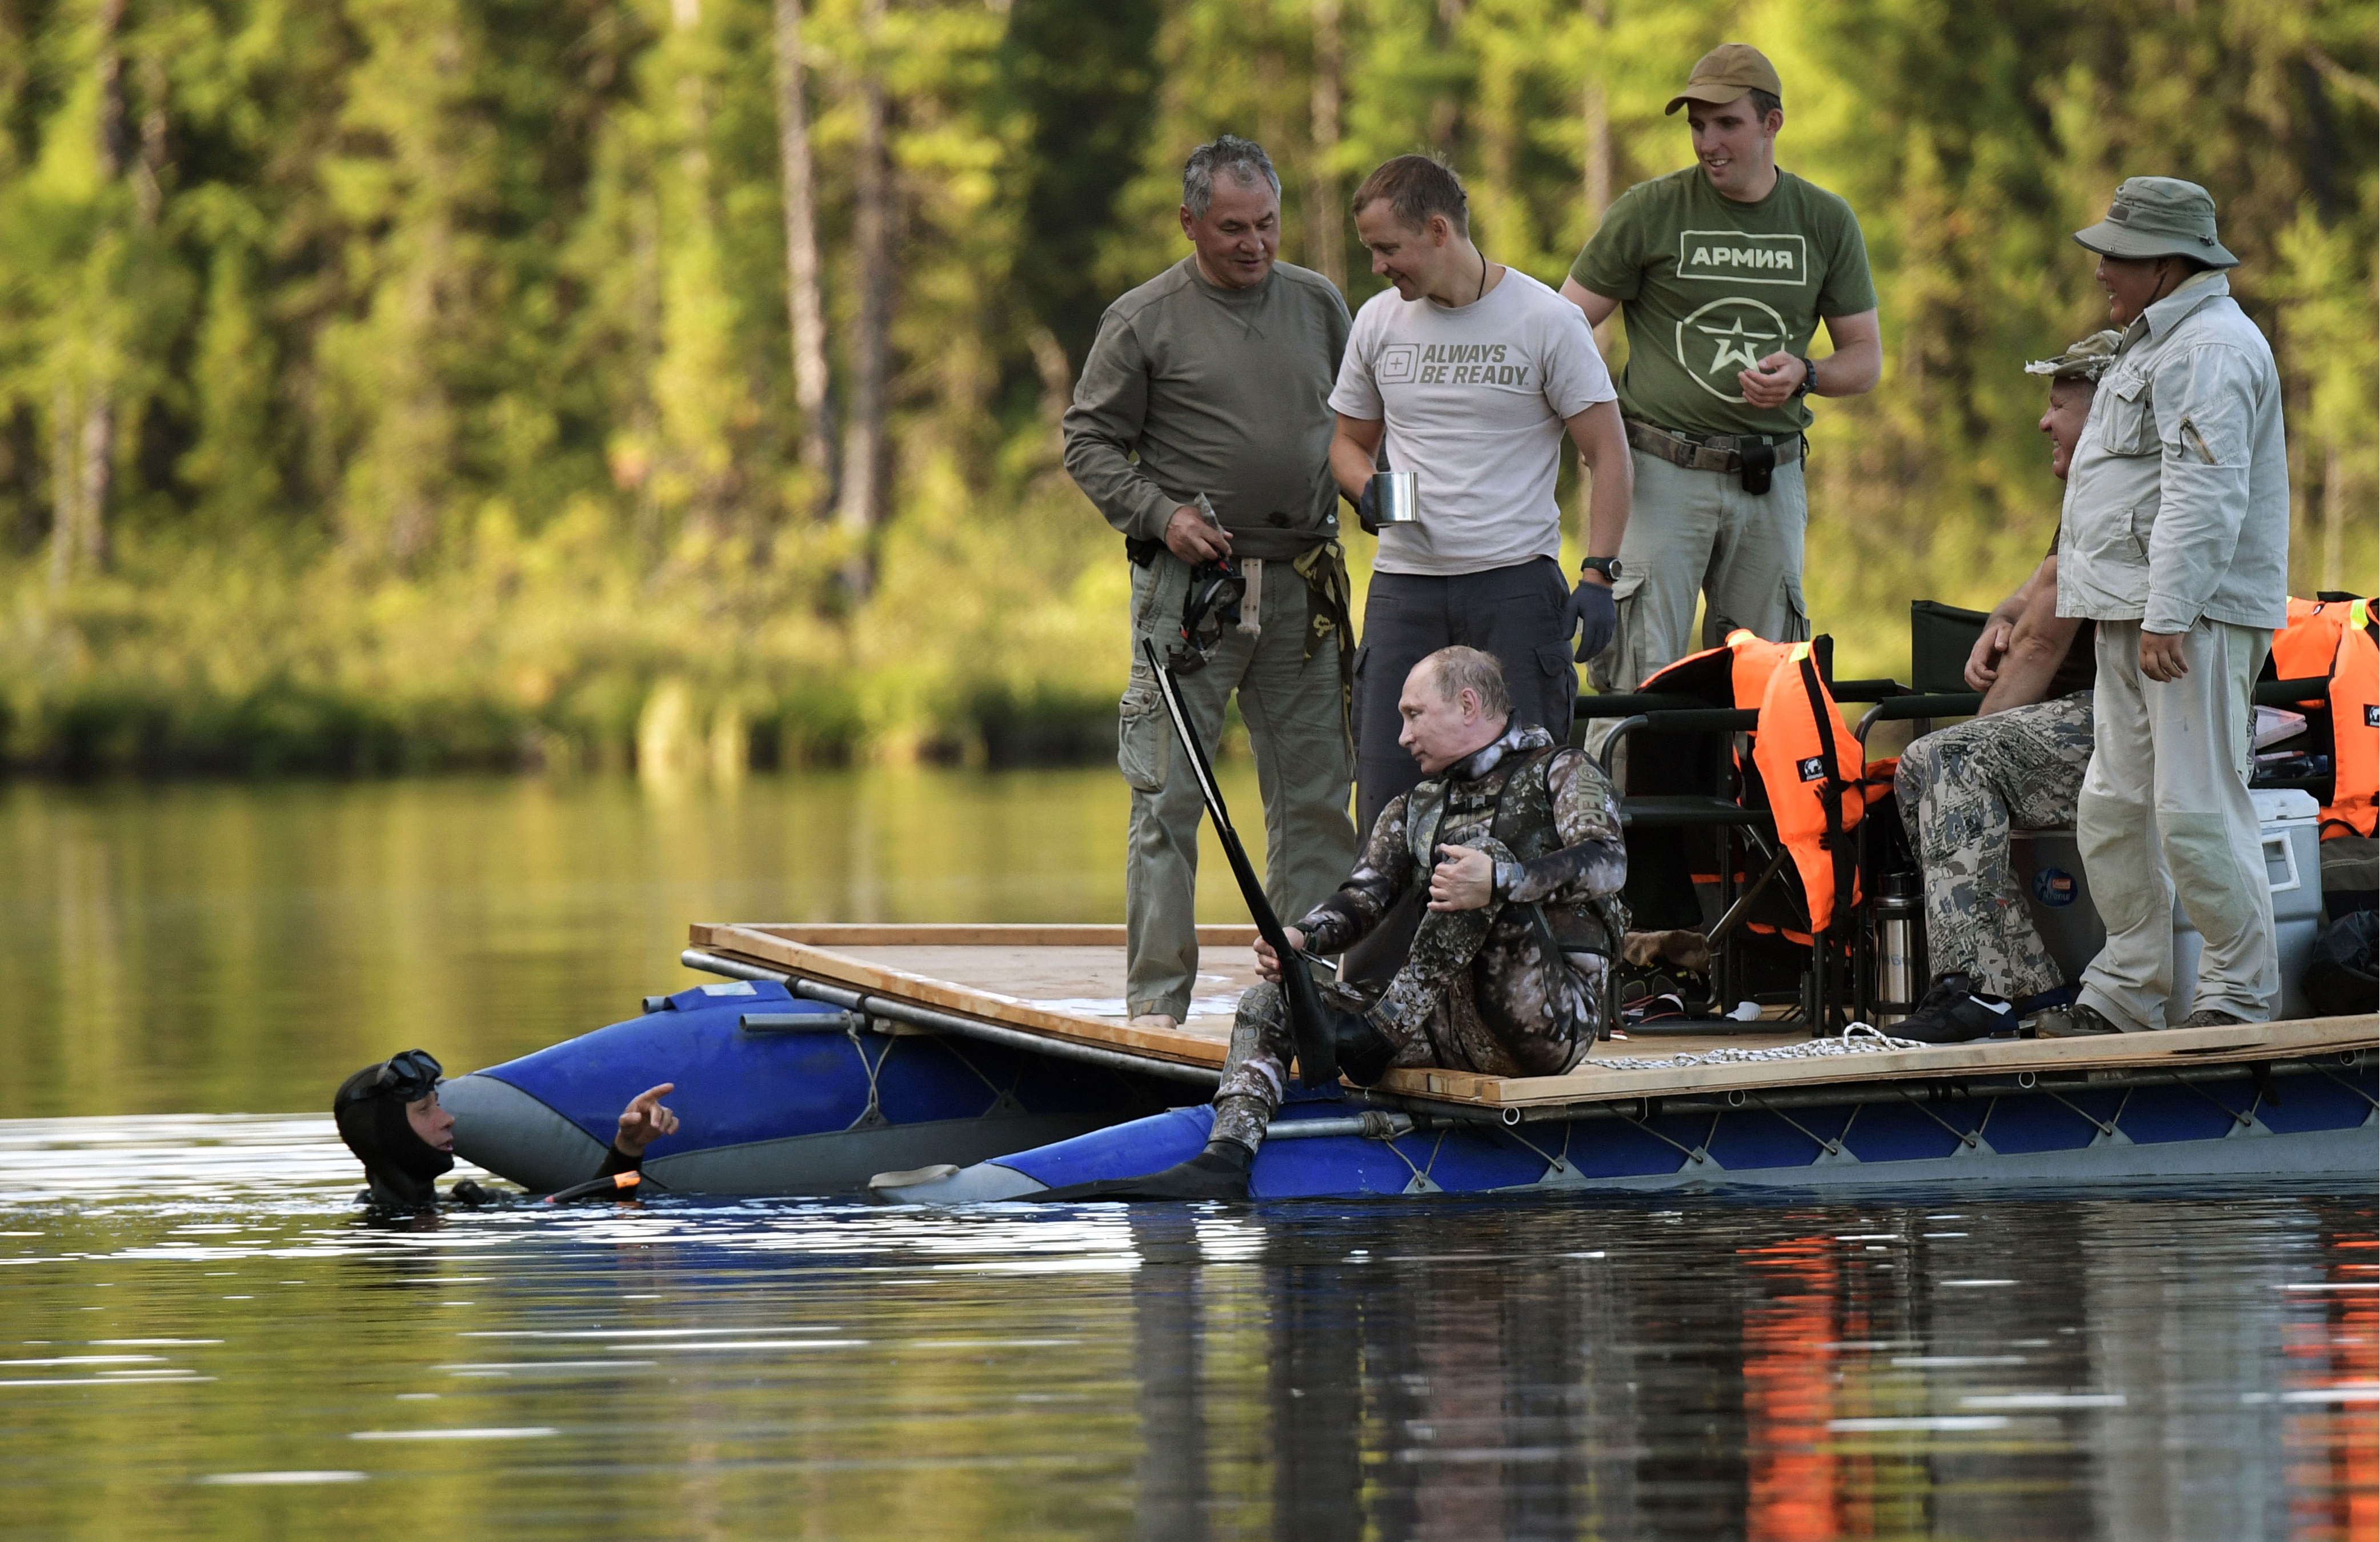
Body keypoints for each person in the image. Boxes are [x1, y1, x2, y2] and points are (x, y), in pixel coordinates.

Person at [1081, 647, 1626, 1199]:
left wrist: (1501, 879)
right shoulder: (1416, 804)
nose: (1402, 737)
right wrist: (1300, 936)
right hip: (1442, 1026)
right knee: (1270, 1003)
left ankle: (1376, 1035)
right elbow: (1362, 897)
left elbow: (1610, 862)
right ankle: (1226, 1156)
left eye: (1414, 714)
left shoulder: (1561, 770)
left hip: (1549, 1026)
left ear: (1467, 705)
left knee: (1473, 856)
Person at [1063, 134, 1359, 1034]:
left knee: (1315, 798)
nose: (1253, 243)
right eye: (1231, 227)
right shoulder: (1142, 319)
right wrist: (1160, 515)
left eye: (1267, 223)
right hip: (1192, 595)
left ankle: (1302, 995)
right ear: (1188, 221)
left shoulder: (1319, 305)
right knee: (1167, 800)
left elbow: (1363, 423)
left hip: (1306, 584)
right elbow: (1087, 443)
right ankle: (1157, 1010)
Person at [1560, 43, 1880, 706]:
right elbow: (1560, 328)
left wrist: (1806, 372)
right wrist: (1594, 428)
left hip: (1771, 481)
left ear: (1771, 124)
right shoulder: (1648, 211)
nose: (1707, 142)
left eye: (1726, 124)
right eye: (1696, 125)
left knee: (1769, 687)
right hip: (1659, 475)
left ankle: (1749, 813)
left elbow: (1864, 359)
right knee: (1640, 679)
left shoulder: (1823, 220)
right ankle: (1622, 811)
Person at [1331, 155, 1632, 833]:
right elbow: (1347, 444)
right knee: (1386, 800)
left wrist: (1597, 574)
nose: (1378, 266)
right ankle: (1379, 943)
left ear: (1438, 230)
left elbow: (1606, 452)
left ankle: (1533, 943)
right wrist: (1366, 490)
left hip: (1513, 591)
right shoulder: (1378, 323)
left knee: (1524, 804)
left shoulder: (1546, 320)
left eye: (1387, 248)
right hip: (1404, 589)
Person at [2057, 177, 2290, 1034]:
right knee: (2114, 807)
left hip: (2189, 619)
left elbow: (2204, 491)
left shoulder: (2210, 349)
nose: (2100, 272)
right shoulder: (2157, 339)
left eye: (2115, 256)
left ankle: (2235, 995)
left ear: (2165, 262)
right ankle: (2124, 991)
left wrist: (2171, 609)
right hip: (2138, 612)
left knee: (2195, 807)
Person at [1888, 331, 2120, 1043]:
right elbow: (2038, 595)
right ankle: (2019, 988)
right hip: (2096, 717)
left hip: (2131, 717)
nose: (2042, 421)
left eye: (2057, 405)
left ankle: (1983, 991)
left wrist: (1968, 740)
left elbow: (2042, 642)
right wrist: (2000, 613)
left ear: (2105, 412)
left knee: (1945, 761)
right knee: (1917, 769)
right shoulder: (2097, 484)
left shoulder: (2111, 486)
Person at [333, 1048, 679, 1209]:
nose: (447, 1118)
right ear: (388, 1136)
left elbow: (596, 1211)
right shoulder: (378, 1234)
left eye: (438, 1104)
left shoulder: (466, 1205)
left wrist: (628, 1146)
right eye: (425, 1110)